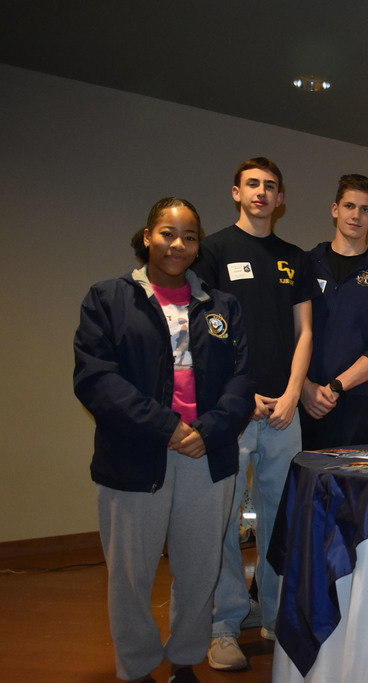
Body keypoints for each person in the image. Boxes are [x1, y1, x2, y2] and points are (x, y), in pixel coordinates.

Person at [74, 198, 254, 683]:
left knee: (199, 572)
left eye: (189, 236)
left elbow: (242, 381)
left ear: (198, 246)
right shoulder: (108, 299)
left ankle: (184, 661)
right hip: (135, 458)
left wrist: (208, 431)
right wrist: (166, 427)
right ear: (148, 236)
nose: (178, 244)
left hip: (206, 457)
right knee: (130, 579)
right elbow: (96, 380)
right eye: (168, 233)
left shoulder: (223, 306)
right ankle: (136, 668)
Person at [191, 158, 320, 671]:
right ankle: (223, 624)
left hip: (284, 410)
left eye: (270, 186)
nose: (261, 193)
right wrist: (239, 399)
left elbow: (304, 332)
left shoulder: (295, 257)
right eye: (252, 185)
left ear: (281, 197)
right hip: (230, 410)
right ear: (236, 192)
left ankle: (272, 613)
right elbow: (205, 333)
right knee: (223, 518)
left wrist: (291, 394)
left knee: (280, 515)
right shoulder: (214, 251)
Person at [299, 174, 368, 449]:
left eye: (364, 209)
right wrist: (305, 387)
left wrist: (336, 387)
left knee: (349, 490)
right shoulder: (305, 265)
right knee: (298, 489)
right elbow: (287, 334)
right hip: (299, 402)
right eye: (349, 206)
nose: (356, 215)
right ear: (335, 210)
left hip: (354, 405)